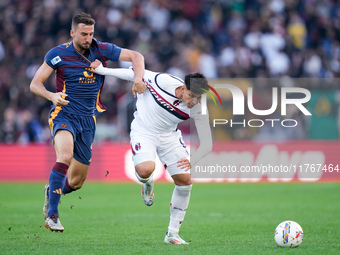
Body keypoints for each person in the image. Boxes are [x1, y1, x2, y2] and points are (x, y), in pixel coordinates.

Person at [30, 12, 145, 232]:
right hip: (63, 114)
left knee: (76, 182)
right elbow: (35, 84)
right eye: (83, 34)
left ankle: (52, 190)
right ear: (72, 33)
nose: (88, 38)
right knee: (64, 156)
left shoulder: (102, 49)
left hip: (88, 120)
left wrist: (138, 80)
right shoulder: (57, 54)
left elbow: (137, 56)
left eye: (91, 33)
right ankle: (52, 215)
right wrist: (53, 97)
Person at [90, 60, 213, 244]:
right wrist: (102, 70)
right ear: (183, 87)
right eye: (192, 95)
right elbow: (133, 74)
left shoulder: (198, 108)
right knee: (145, 170)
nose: (194, 101)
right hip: (144, 130)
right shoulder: (163, 82)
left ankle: (172, 234)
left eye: (199, 98)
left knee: (185, 182)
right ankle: (148, 185)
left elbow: (207, 143)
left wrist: (193, 161)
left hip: (169, 137)